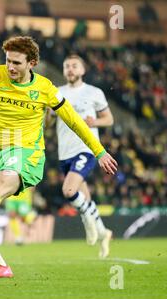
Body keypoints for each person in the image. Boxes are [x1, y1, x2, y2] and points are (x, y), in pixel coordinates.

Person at [0, 36, 118, 279]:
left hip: (28, 155)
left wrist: (99, 151)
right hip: (1, 156)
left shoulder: (45, 88)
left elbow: (75, 121)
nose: (11, 67)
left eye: (16, 62)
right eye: (8, 61)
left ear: (32, 63)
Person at [52, 54, 114, 258]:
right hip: (65, 152)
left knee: (69, 191)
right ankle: (104, 233)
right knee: (85, 198)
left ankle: (87, 219)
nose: (70, 69)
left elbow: (109, 119)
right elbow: (48, 122)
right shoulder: (57, 93)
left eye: (74, 66)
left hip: (86, 149)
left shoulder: (94, 92)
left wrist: (94, 123)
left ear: (82, 70)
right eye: (66, 66)